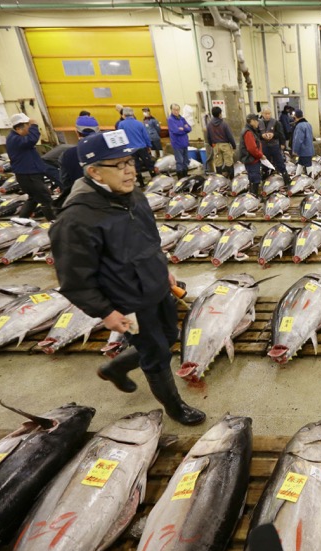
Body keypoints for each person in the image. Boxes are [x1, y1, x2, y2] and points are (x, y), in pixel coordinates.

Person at [49, 129, 205, 426]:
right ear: (94, 172)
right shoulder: (75, 220)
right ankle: (175, 407)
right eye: (118, 165)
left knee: (171, 336)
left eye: (130, 161)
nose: (130, 169)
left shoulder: (133, 196)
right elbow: (74, 280)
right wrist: (106, 312)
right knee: (156, 353)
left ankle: (116, 367)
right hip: (127, 302)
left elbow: (149, 240)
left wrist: (161, 268)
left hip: (156, 287)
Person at [6, 113, 55, 221]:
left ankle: (22, 220)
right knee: (45, 198)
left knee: (34, 198)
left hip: (28, 175)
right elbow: (32, 139)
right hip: (29, 175)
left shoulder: (17, 137)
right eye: (28, 126)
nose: (29, 129)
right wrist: (34, 126)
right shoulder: (15, 139)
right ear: (19, 128)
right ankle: (54, 223)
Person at [55, 118, 100, 206]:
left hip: (79, 200)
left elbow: (64, 180)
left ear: (77, 132)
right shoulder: (106, 151)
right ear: (98, 131)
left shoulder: (67, 154)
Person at [117, 107, 154, 187]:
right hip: (142, 147)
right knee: (149, 164)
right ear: (132, 114)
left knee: (136, 166)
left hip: (130, 150)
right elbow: (146, 136)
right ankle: (154, 181)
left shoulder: (121, 124)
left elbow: (120, 137)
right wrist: (149, 146)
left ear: (124, 115)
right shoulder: (139, 123)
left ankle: (141, 184)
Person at [259, 107, 290, 187]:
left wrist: (274, 136)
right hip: (264, 147)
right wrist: (262, 135)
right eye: (266, 114)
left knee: (280, 163)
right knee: (265, 164)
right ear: (262, 114)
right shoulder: (259, 123)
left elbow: (281, 134)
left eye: (269, 113)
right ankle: (265, 183)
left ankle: (287, 181)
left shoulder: (276, 122)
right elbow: (255, 135)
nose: (267, 115)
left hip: (274, 146)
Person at [239, 114, 267, 196]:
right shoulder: (248, 132)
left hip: (252, 159)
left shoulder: (250, 131)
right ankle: (254, 197)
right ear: (251, 121)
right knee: (255, 179)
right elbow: (251, 148)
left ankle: (253, 196)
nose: (258, 122)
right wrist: (260, 155)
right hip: (251, 160)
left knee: (253, 178)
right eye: (256, 121)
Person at [205, 106, 237, 179]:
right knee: (229, 162)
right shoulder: (224, 124)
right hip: (225, 145)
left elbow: (208, 137)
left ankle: (219, 180)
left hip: (215, 145)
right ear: (220, 114)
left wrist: (212, 145)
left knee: (218, 163)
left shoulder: (209, 125)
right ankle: (231, 180)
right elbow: (230, 136)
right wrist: (234, 146)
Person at [167, 103, 192, 178]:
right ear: (171, 110)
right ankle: (180, 177)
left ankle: (185, 175)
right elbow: (176, 131)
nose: (176, 111)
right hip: (177, 144)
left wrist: (183, 128)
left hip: (184, 143)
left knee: (186, 161)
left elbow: (189, 128)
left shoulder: (182, 118)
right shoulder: (170, 119)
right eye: (174, 110)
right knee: (179, 161)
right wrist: (184, 128)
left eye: (177, 110)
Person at [291, 109, 314, 176]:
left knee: (308, 166)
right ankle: (296, 177)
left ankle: (311, 180)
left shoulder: (299, 126)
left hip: (304, 150)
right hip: (309, 149)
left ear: (295, 116)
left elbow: (298, 139)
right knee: (300, 163)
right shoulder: (308, 124)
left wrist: (295, 150)